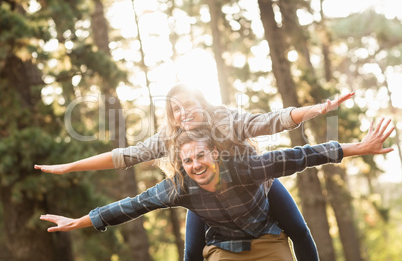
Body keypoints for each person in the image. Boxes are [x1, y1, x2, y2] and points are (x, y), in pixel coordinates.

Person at [35, 84, 354, 260]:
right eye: (176, 109)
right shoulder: (169, 138)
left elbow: (271, 121)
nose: (183, 112)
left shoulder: (225, 120)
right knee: (192, 251)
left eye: (189, 104)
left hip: (255, 187)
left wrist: (318, 110)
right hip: (203, 195)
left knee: (298, 230)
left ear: (203, 102)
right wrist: (72, 166)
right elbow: (125, 156)